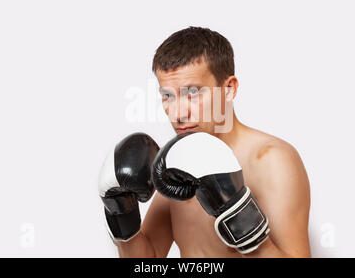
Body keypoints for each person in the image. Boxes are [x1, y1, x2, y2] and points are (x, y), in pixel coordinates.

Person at [100, 27, 311, 257]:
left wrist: (241, 218)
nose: (178, 113)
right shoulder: (176, 163)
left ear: (228, 89)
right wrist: (122, 213)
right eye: (167, 95)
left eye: (192, 92)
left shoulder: (271, 160)